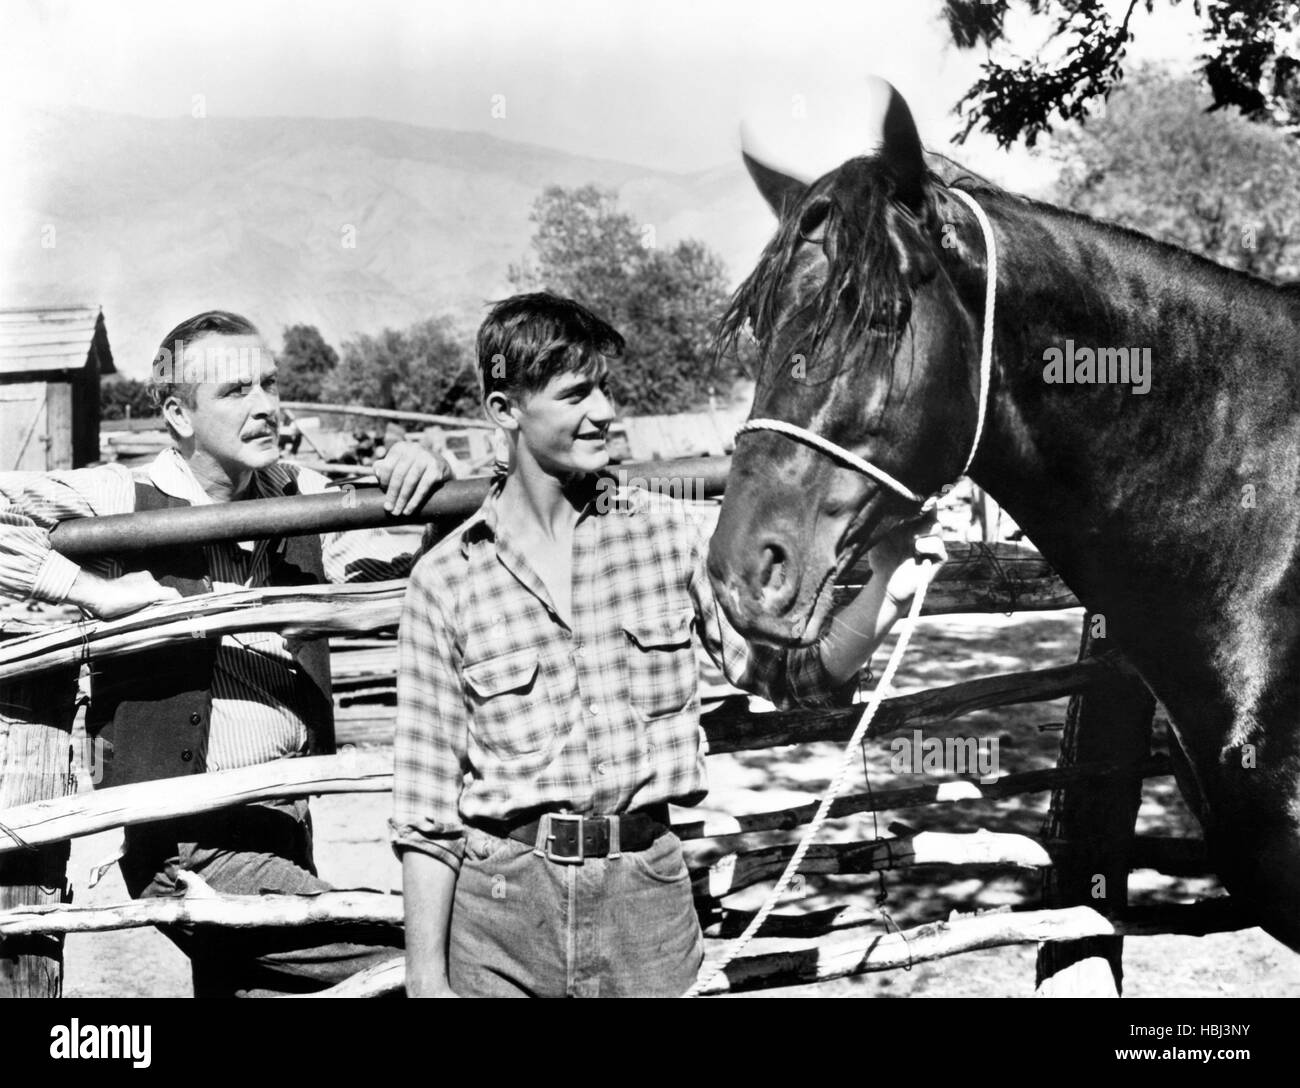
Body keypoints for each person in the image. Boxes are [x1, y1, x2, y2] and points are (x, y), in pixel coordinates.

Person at [391, 293, 945, 998]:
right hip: (500, 911)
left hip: (645, 900)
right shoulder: (447, 577)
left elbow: (785, 675)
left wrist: (885, 588)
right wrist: (426, 979)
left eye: (605, 387)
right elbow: (426, 803)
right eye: (575, 393)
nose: (605, 411)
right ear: (505, 410)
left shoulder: (669, 537)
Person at [0, 310, 452, 996]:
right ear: (179, 415)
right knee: (417, 957)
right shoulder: (125, 495)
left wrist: (433, 491)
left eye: (270, 385)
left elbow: (402, 577)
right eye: (238, 391)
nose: (268, 406)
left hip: (284, 822)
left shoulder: (303, 497)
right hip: (188, 843)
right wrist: (91, 590)